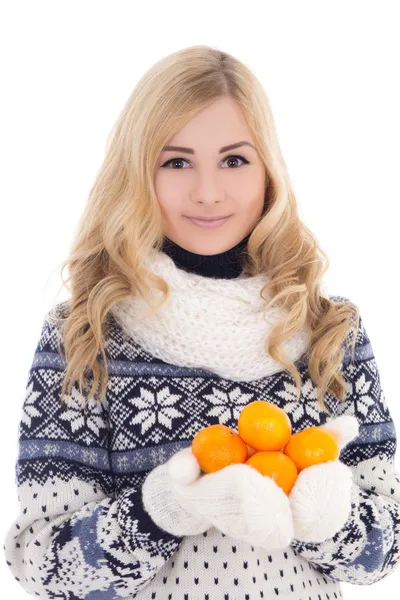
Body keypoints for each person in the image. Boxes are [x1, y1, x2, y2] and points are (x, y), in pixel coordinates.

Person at [3, 45, 400, 600]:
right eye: (176, 161)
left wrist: (330, 514)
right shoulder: (86, 333)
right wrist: (163, 507)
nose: (208, 192)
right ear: (139, 173)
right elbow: (40, 563)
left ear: (268, 171)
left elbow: (384, 555)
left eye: (234, 160)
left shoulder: (331, 332)